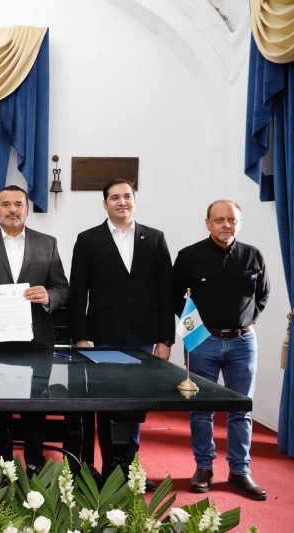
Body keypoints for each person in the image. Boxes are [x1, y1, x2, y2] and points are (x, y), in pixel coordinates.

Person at [68, 179, 174, 488]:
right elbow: (78, 294)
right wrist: (80, 337)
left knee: (135, 406)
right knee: (106, 404)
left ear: (135, 201)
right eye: (115, 197)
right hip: (102, 338)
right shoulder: (88, 240)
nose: (122, 201)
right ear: (105, 204)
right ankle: (109, 468)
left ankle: (130, 468)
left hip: (143, 337)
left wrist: (166, 339)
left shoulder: (154, 239)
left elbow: (166, 293)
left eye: (127, 196)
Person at [0, 185, 69, 468]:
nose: (12, 209)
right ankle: (2, 465)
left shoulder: (48, 243)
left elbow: (62, 288)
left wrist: (49, 297)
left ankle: (34, 463)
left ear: (27, 209)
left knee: (36, 408)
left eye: (18, 204)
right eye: (6, 204)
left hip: (37, 342)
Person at [173, 199, 270, 501]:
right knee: (201, 409)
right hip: (203, 342)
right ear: (207, 223)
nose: (226, 225)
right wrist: (194, 332)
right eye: (219, 220)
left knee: (241, 409)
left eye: (232, 220)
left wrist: (245, 323)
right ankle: (204, 468)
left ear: (239, 223)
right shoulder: (189, 256)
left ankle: (240, 471)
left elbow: (263, 295)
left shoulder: (253, 255)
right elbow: (174, 296)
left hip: (243, 343)